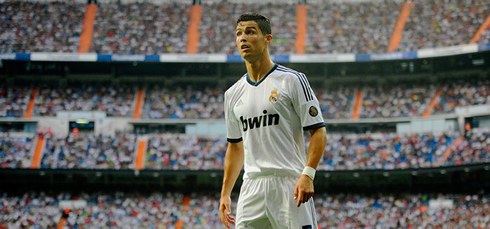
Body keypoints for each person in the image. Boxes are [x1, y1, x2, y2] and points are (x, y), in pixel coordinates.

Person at [219, 12, 328, 229]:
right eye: (239, 34)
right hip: (251, 187)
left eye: (250, 32)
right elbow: (235, 146)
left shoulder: (293, 81)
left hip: (288, 183)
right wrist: (225, 193)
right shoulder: (232, 94)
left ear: (268, 38)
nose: (243, 38)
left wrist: (308, 174)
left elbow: (319, 132)